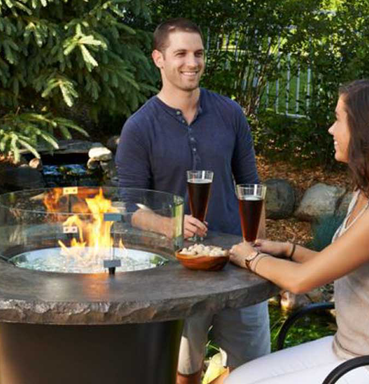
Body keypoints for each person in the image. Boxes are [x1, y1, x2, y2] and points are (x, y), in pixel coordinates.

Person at [226, 79, 369, 384]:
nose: (331, 129)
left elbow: (301, 282)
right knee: (239, 380)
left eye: (339, 119)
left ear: (368, 130)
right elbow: (338, 263)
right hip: (352, 348)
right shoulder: (368, 192)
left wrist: (249, 258)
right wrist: (287, 249)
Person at [115, 18, 271, 384]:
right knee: (183, 372)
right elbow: (128, 209)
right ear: (158, 59)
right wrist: (170, 224)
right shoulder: (139, 127)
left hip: (236, 265)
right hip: (176, 273)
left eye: (198, 53)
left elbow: (251, 187)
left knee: (256, 373)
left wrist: (259, 256)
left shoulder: (230, 114)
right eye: (181, 53)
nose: (192, 62)